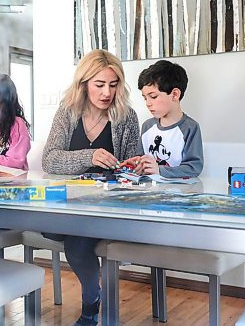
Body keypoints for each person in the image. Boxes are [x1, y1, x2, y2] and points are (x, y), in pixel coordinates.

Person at [42, 49, 140, 326]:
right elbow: (49, 159)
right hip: (67, 202)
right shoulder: (67, 112)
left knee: (77, 240)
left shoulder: (126, 117)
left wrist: (136, 166)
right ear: (84, 84)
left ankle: (89, 309)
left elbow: (131, 167)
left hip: (107, 206)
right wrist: (89, 156)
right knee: (67, 231)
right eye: (99, 84)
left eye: (113, 84)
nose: (107, 92)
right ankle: (93, 300)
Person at [126, 60, 203, 177]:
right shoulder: (147, 126)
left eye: (153, 96)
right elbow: (141, 158)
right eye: (145, 98)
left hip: (180, 192)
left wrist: (159, 170)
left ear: (175, 94)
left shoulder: (190, 128)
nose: (148, 103)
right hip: (148, 190)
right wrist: (136, 163)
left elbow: (194, 168)